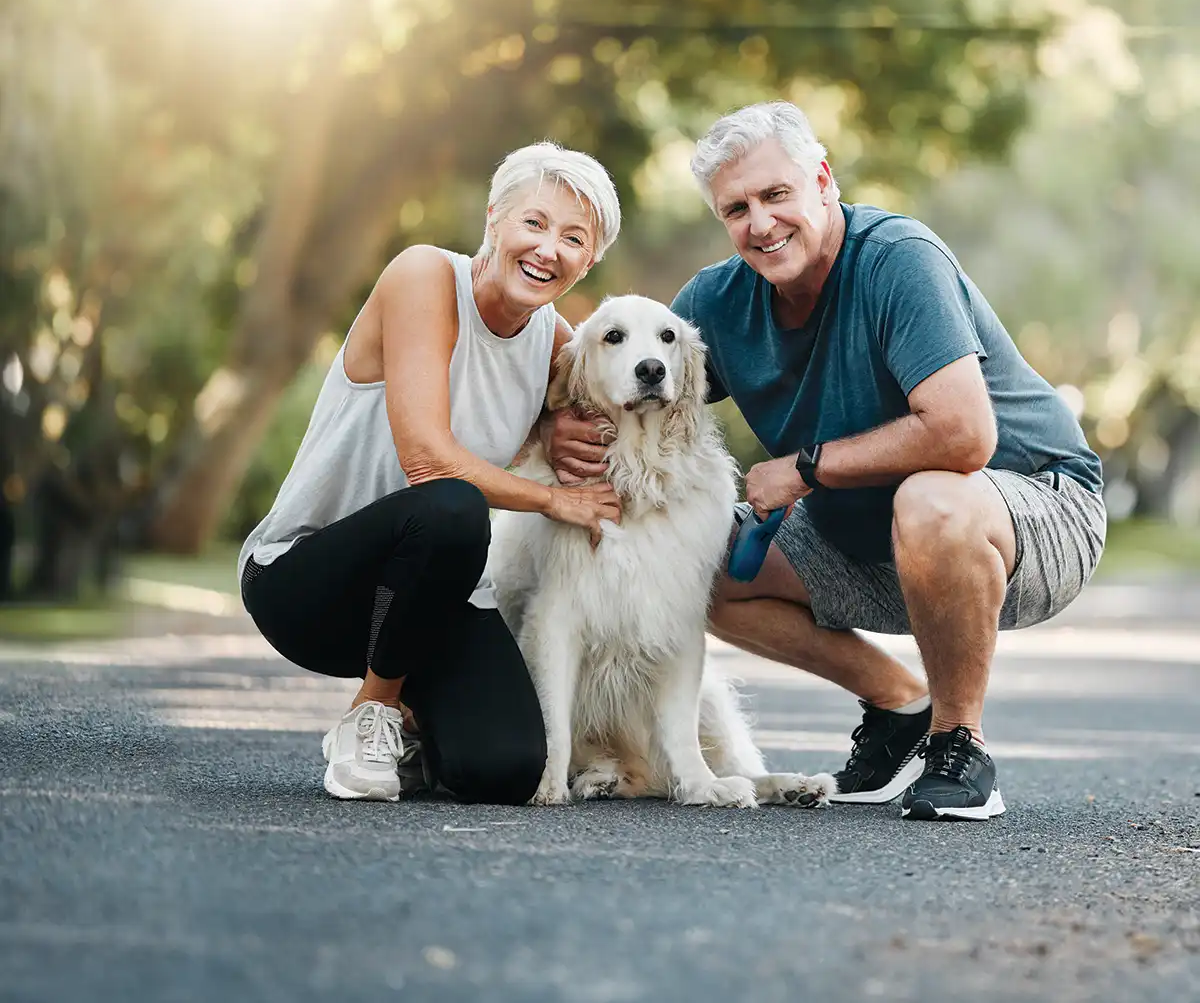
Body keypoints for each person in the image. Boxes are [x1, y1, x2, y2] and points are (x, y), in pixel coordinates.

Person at [542, 101, 1106, 821]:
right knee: (701, 567)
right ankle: (901, 703)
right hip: (867, 533)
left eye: (776, 195)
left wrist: (804, 468)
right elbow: (625, 371)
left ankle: (959, 743)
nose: (761, 222)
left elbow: (966, 434)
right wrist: (560, 424)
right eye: (737, 208)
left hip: (1032, 511)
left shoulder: (898, 260)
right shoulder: (716, 302)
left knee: (931, 499)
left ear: (823, 180)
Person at [238, 142, 623, 805]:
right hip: (306, 583)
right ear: (494, 220)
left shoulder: (561, 344)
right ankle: (373, 713)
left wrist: (559, 428)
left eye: (573, 238)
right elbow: (428, 459)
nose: (548, 248)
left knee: (505, 769)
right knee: (452, 505)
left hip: (430, 600)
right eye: (533, 222)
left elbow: (618, 416)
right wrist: (556, 500)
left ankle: (419, 729)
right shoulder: (423, 276)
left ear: (588, 261)